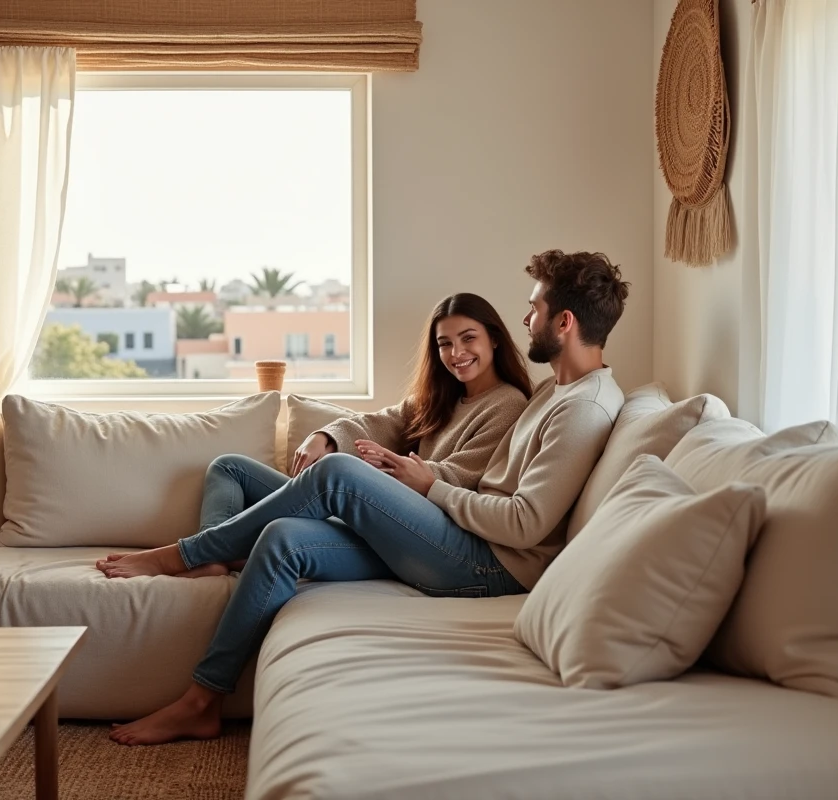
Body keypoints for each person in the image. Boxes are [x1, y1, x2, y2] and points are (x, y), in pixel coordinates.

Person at [104, 250, 629, 746]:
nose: (525, 319)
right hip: (454, 535)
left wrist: (428, 484)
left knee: (336, 474)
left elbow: (525, 525)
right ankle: (204, 699)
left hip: (491, 564)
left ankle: (188, 553)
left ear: (563, 322)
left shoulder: (581, 408)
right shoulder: (553, 392)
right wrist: (336, 438)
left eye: (533, 308)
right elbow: (400, 422)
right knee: (277, 527)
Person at [100, 292, 532, 580]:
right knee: (227, 467)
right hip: (354, 508)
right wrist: (325, 436)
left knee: (328, 482)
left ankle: (184, 554)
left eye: (468, 339)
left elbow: (461, 479)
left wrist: (389, 469)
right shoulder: (440, 398)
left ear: (494, 339)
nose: (456, 354)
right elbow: (380, 421)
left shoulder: (508, 403)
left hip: (408, 532)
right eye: (444, 344)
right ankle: (213, 559)